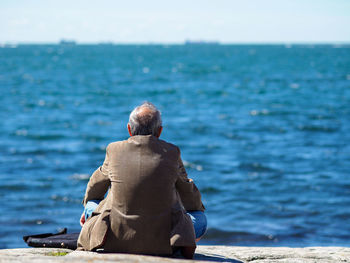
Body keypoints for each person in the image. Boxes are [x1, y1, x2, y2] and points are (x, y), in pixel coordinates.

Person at [77, 102, 206, 259]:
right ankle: (177, 245)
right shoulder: (172, 152)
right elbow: (190, 197)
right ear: (160, 131)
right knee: (200, 219)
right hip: (162, 242)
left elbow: (95, 187)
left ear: (129, 129)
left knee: (91, 205)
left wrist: (89, 208)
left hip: (116, 239)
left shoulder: (114, 150)